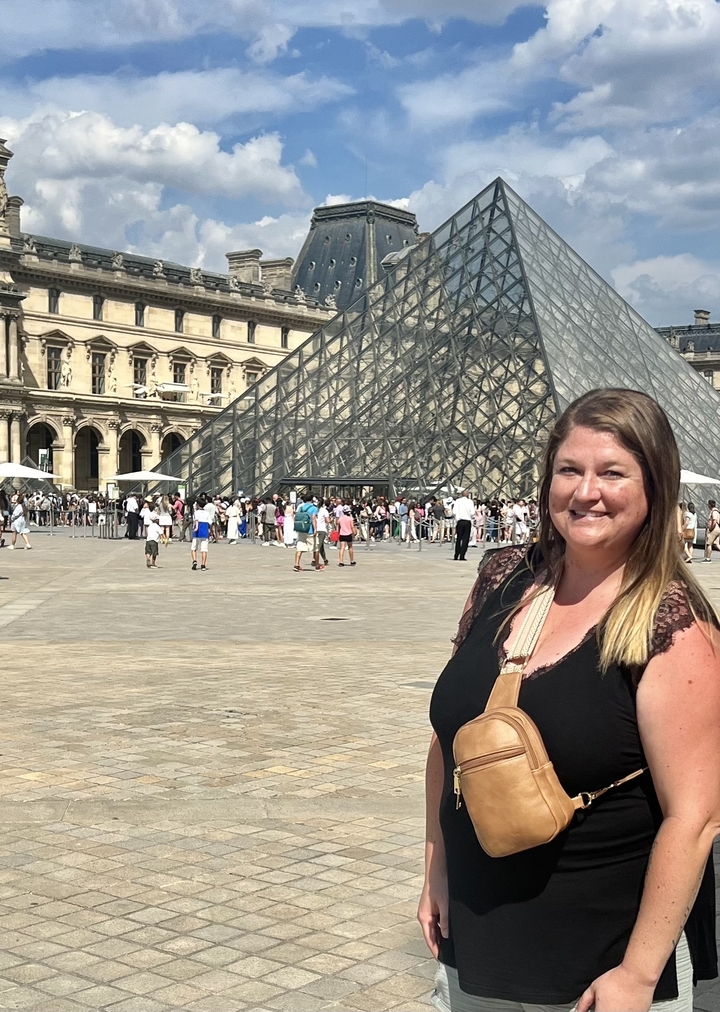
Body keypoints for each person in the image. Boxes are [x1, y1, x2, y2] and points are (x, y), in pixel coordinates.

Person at [420, 388, 720, 1012]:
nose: (586, 492)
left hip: (599, 961)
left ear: (654, 490)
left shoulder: (673, 624)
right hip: (479, 934)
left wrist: (636, 977)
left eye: (613, 472)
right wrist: (437, 870)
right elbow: (448, 741)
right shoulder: (505, 575)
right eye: (569, 470)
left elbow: (695, 817)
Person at [452, 490, 474, 561]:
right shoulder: (470, 502)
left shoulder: (457, 501)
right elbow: (472, 512)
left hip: (460, 521)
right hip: (467, 521)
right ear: (467, 495)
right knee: (465, 539)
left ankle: (456, 555)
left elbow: (454, 512)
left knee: (458, 539)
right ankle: (462, 555)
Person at [191, 495, 211, 571]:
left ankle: (194, 560)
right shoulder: (207, 513)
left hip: (197, 531)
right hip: (204, 530)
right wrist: (211, 531)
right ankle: (203, 565)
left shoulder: (196, 513)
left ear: (198, 505)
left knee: (194, 548)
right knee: (204, 549)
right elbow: (210, 523)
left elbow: (195, 520)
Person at [703, 498, 720, 563]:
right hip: (717, 528)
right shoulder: (716, 511)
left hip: (714, 529)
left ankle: (708, 559)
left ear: (709, 505)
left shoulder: (714, 512)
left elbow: (714, 521)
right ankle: (708, 558)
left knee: (708, 544)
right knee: (716, 544)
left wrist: (711, 528)